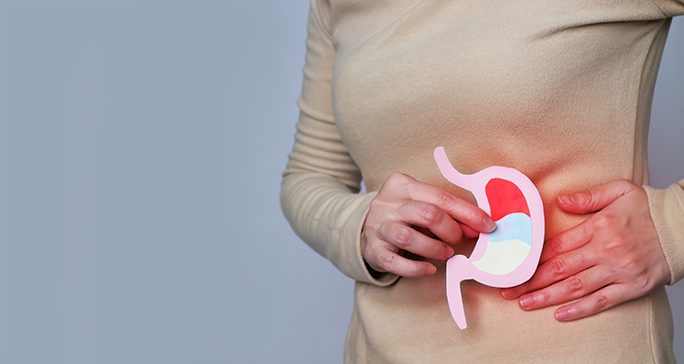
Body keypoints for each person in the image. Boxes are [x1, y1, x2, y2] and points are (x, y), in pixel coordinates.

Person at [279, 0, 684, 362]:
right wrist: (360, 223)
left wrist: (672, 225)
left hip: (576, 343)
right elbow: (311, 173)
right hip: (383, 348)